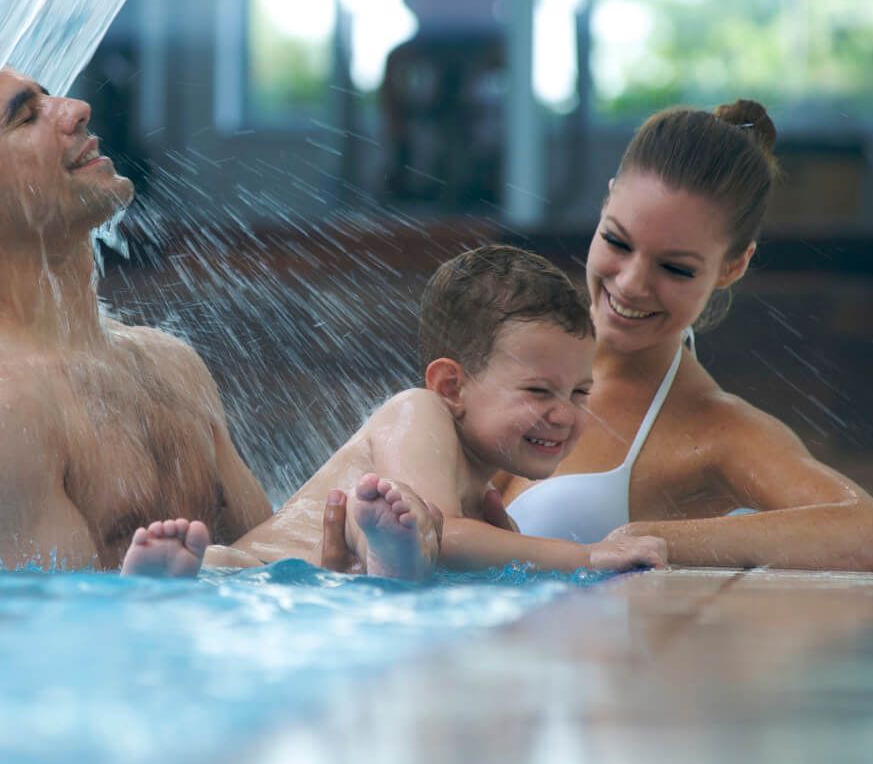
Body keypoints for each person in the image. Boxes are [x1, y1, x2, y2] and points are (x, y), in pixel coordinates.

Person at [329, 100, 873, 574]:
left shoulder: (714, 430)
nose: (631, 285)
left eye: (675, 269)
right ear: (604, 203)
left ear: (732, 267)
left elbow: (872, 536)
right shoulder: (507, 345)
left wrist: (652, 539)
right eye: (617, 242)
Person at [0, 63, 273, 569]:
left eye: (51, 98)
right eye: (27, 118)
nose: (77, 110)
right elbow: (39, 638)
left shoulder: (171, 366)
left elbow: (275, 579)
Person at [126, 245, 670, 580]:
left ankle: (392, 562)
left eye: (579, 393)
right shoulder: (418, 412)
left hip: (310, 592)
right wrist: (586, 557)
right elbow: (449, 537)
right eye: (538, 391)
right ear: (451, 384)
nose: (563, 415)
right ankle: (178, 578)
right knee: (410, 520)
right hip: (254, 571)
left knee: (415, 538)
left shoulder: (478, 491)